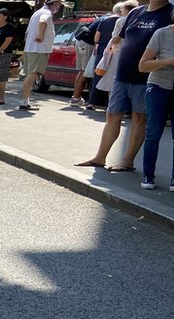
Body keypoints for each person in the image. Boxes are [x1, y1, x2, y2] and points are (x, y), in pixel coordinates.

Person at [77, 0, 173, 172]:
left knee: (139, 117)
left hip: (147, 76)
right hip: (122, 72)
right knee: (112, 114)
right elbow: (121, 39)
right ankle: (100, 158)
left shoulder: (169, 13)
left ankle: (127, 161)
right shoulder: (136, 12)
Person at [137, 20, 174, 190]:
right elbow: (143, 66)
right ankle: (148, 175)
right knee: (153, 133)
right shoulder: (162, 33)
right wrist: (169, 61)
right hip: (158, 86)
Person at [19, 0, 60, 111]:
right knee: (32, 74)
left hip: (31, 48)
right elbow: (43, 21)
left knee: (30, 75)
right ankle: (24, 101)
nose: (58, 7)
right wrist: (40, 35)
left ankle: (26, 100)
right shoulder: (46, 13)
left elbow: (27, 33)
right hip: (39, 49)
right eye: (58, 5)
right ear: (54, 4)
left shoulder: (36, 13)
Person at [87, 3, 124, 110]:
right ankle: (110, 103)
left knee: (99, 73)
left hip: (103, 48)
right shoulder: (124, 21)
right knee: (114, 76)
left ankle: (92, 102)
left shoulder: (104, 20)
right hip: (117, 49)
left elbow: (96, 38)